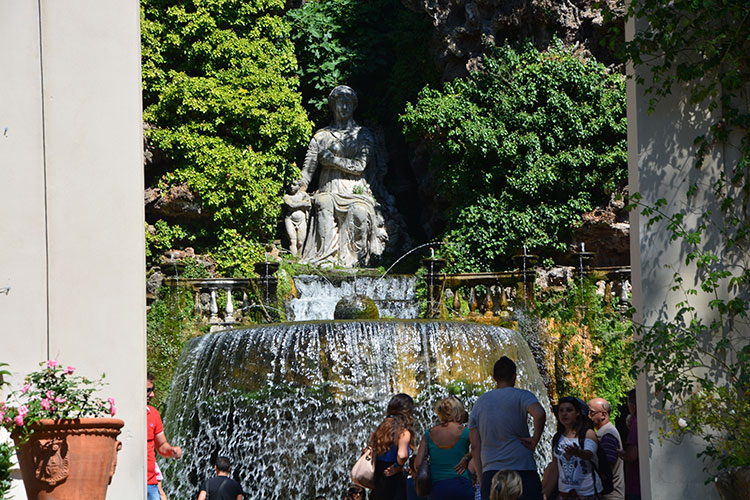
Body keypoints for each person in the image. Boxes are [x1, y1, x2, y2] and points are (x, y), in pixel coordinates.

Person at [297, 85, 387, 268]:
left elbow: (360, 166)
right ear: (333, 106)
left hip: (356, 191)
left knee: (360, 212)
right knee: (323, 203)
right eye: (340, 103)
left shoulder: (363, 135)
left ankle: (355, 260)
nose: (344, 107)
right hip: (329, 189)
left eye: (348, 103)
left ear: (354, 106)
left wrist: (332, 160)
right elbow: (307, 171)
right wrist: (298, 189)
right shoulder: (321, 137)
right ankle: (326, 257)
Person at [469, 356, 546, 500]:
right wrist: (535, 439)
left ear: (494, 377)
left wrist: (482, 477)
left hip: (492, 471)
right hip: (523, 469)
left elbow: (474, 446)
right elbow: (540, 414)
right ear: (515, 376)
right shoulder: (523, 395)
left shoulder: (480, 402)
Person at [414, 396, 474, 500]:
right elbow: (480, 449)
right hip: (461, 485)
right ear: (459, 412)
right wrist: (467, 457)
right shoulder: (466, 432)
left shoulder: (429, 434)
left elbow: (418, 464)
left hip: (437, 488)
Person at [543, 397, 602, 500]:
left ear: (577, 413)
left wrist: (578, 452)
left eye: (569, 410)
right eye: (561, 410)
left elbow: (589, 454)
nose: (564, 414)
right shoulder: (557, 438)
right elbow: (555, 469)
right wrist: (545, 494)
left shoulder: (587, 434)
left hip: (588, 494)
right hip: (564, 494)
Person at [370, 393, 415, 500]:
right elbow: (402, 455)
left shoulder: (382, 428)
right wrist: (397, 467)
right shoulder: (403, 432)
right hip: (393, 476)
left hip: (379, 475)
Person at [147, 374, 182, 500]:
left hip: (150, 483)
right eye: (148, 390)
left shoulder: (154, 414)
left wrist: (171, 450)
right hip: (130, 478)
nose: (152, 395)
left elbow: (161, 446)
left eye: (152, 390)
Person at [587, 398, 624, 500]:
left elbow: (606, 468)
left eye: (591, 412)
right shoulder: (604, 432)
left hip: (610, 496)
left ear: (603, 415)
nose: (588, 416)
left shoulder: (607, 435)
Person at [283, 178, 311, 256]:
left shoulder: (303, 195)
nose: (291, 187)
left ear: (299, 186)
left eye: (294, 185)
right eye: (290, 185)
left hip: (301, 220)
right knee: (293, 240)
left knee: (300, 241)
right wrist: (302, 203)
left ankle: (299, 256)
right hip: (290, 219)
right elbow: (291, 205)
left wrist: (302, 203)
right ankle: (293, 257)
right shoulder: (286, 196)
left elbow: (308, 203)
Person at [623, 390, 639, 500]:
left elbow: (632, 455)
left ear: (633, 406)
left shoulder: (637, 422)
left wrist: (623, 454)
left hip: (635, 485)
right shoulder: (635, 420)